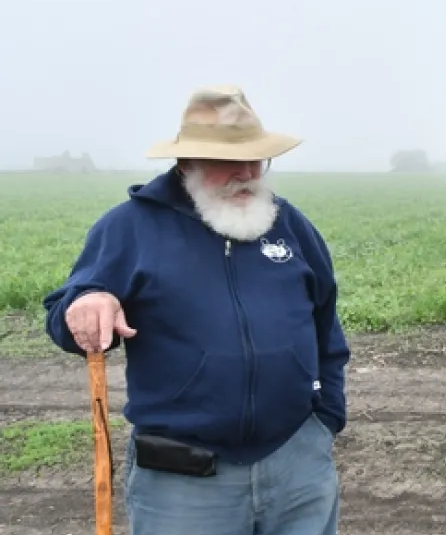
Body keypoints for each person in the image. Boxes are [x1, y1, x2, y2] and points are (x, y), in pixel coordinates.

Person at [43, 86, 350, 535]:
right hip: (183, 481)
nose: (246, 173)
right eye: (229, 160)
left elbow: (325, 324)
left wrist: (325, 420)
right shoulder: (131, 227)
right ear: (187, 161)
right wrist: (86, 302)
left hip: (297, 464)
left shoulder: (289, 225)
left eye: (256, 159)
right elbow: (66, 313)